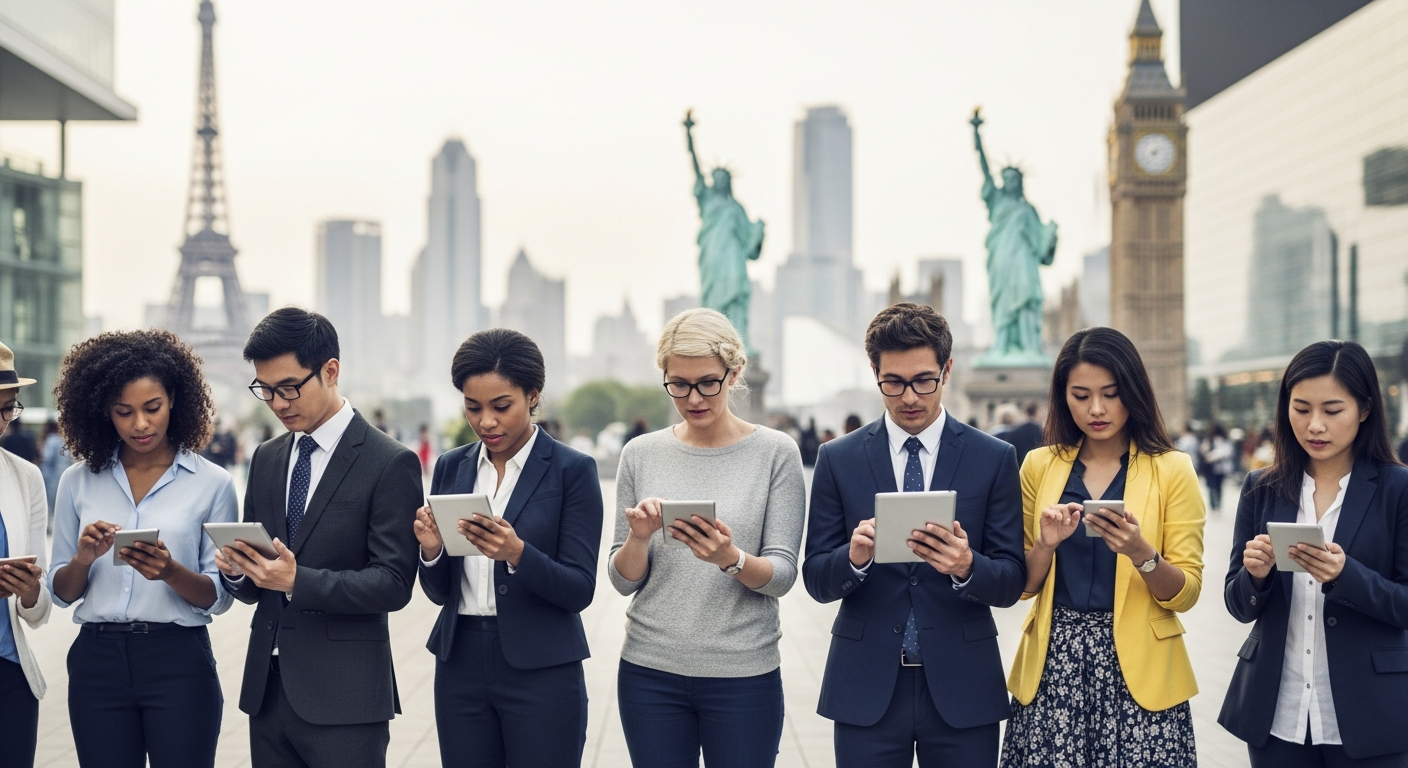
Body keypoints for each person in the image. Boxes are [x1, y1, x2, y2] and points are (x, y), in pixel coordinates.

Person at [802, 302, 1025, 767]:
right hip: (866, 687)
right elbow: (816, 579)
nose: (909, 397)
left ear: (947, 370)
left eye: (924, 380)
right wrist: (855, 558)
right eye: (893, 382)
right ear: (874, 372)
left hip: (964, 686)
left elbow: (1010, 581)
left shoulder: (994, 458)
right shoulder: (838, 459)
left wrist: (966, 565)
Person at [214, 308, 422, 768]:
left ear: (331, 371)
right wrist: (236, 571)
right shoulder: (266, 458)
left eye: (288, 388)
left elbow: (392, 583)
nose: (277, 402)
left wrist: (296, 580)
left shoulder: (390, 462)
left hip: (346, 699)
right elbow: (255, 587)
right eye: (264, 390)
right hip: (266, 693)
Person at [609, 308, 805, 767]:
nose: (693, 398)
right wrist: (638, 539)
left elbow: (782, 575)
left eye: (707, 383)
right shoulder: (640, 454)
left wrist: (730, 557)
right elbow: (621, 581)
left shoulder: (776, 453)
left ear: (734, 373)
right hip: (649, 672)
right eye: (678, 384)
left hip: (743, 674)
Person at [1000, 327, 1205, 766]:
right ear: (1062, 396)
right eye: (1081, 395)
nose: (1096, 409)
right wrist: (1046, 545)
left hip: (1143, 672)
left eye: (1111, 394)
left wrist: (1141, 554)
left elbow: (1186, 593)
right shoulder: (1040, 465)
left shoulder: (1173, 470)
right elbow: (1023, 586)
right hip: (1055, 663)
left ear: (1132, 391)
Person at [48, 330, 238, 768]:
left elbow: (220, 595)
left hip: (179, 660)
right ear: (103, 412)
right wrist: (83, 558)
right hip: (97, 663)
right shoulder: (77, 481)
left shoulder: (213, 484)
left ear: (174, 398)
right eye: (124, 412)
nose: (140, 424)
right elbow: (62, 592)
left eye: (152, 408)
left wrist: (170, 571)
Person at [414, 329, 603, 767]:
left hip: (542, 669)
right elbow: (442, 592)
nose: (486, 422)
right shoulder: (451, 466)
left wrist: (518, 553)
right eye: (472, 407)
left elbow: (579, 589)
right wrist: (432, 551)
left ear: (533, 396)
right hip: (459, 663)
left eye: (502, 407)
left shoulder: (571, 470)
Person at [1220, 340, 1408, 765]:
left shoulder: (1398, 490)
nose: (1314, 425)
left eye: (1332, 410)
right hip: (1277, 716)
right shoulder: (1261, 487)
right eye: (1301, 409)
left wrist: (1346, 576)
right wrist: (1257, 576)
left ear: (1364, 409)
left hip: (1370, 716)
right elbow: (1237, 604)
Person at [0, 345, 52, 768]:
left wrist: (32, 591)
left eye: (7, 409)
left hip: (9, 676)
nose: (1, 422)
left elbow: (36, 611)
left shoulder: (25, 477)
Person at [1202, 424, 1234, 511]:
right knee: (1213, 486)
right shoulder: (1209, 440)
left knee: (1216, 486)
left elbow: (1226, 452)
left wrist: (1212, 456)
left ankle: (1216, 504)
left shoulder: (1222, 441)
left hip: (1218, 468)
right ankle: (1215, 504)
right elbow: (1203, 450)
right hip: (1211, 468)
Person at [40, 419, 67, 520]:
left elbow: (47, 457)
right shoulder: (64, 440)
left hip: (50, 476)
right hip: (62, 474)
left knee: (48, 503)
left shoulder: (51, 439)